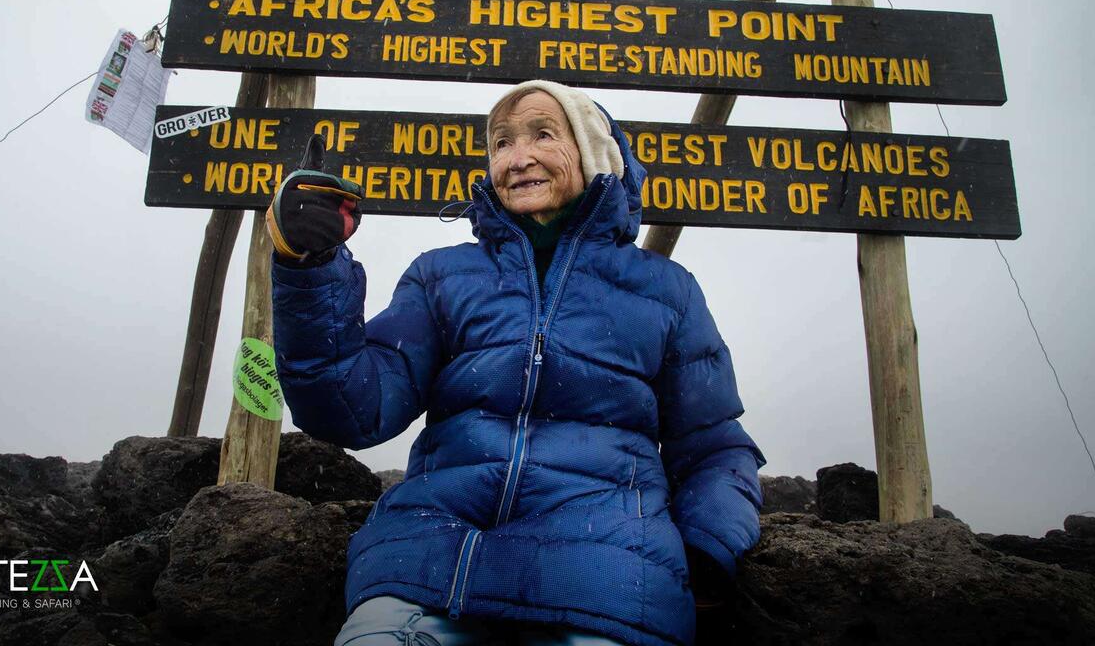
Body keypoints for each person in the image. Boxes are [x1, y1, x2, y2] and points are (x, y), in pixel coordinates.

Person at [267, 80, 765, 646]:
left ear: (595, 155)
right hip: (426, 569)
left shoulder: (667, 292)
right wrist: (310, 267)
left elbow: (715, 447)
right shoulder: (440, 276)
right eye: (501, 143)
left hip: (607, 584)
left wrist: (706, 550)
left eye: (543, 135)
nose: (517, 157)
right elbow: (352, 411)